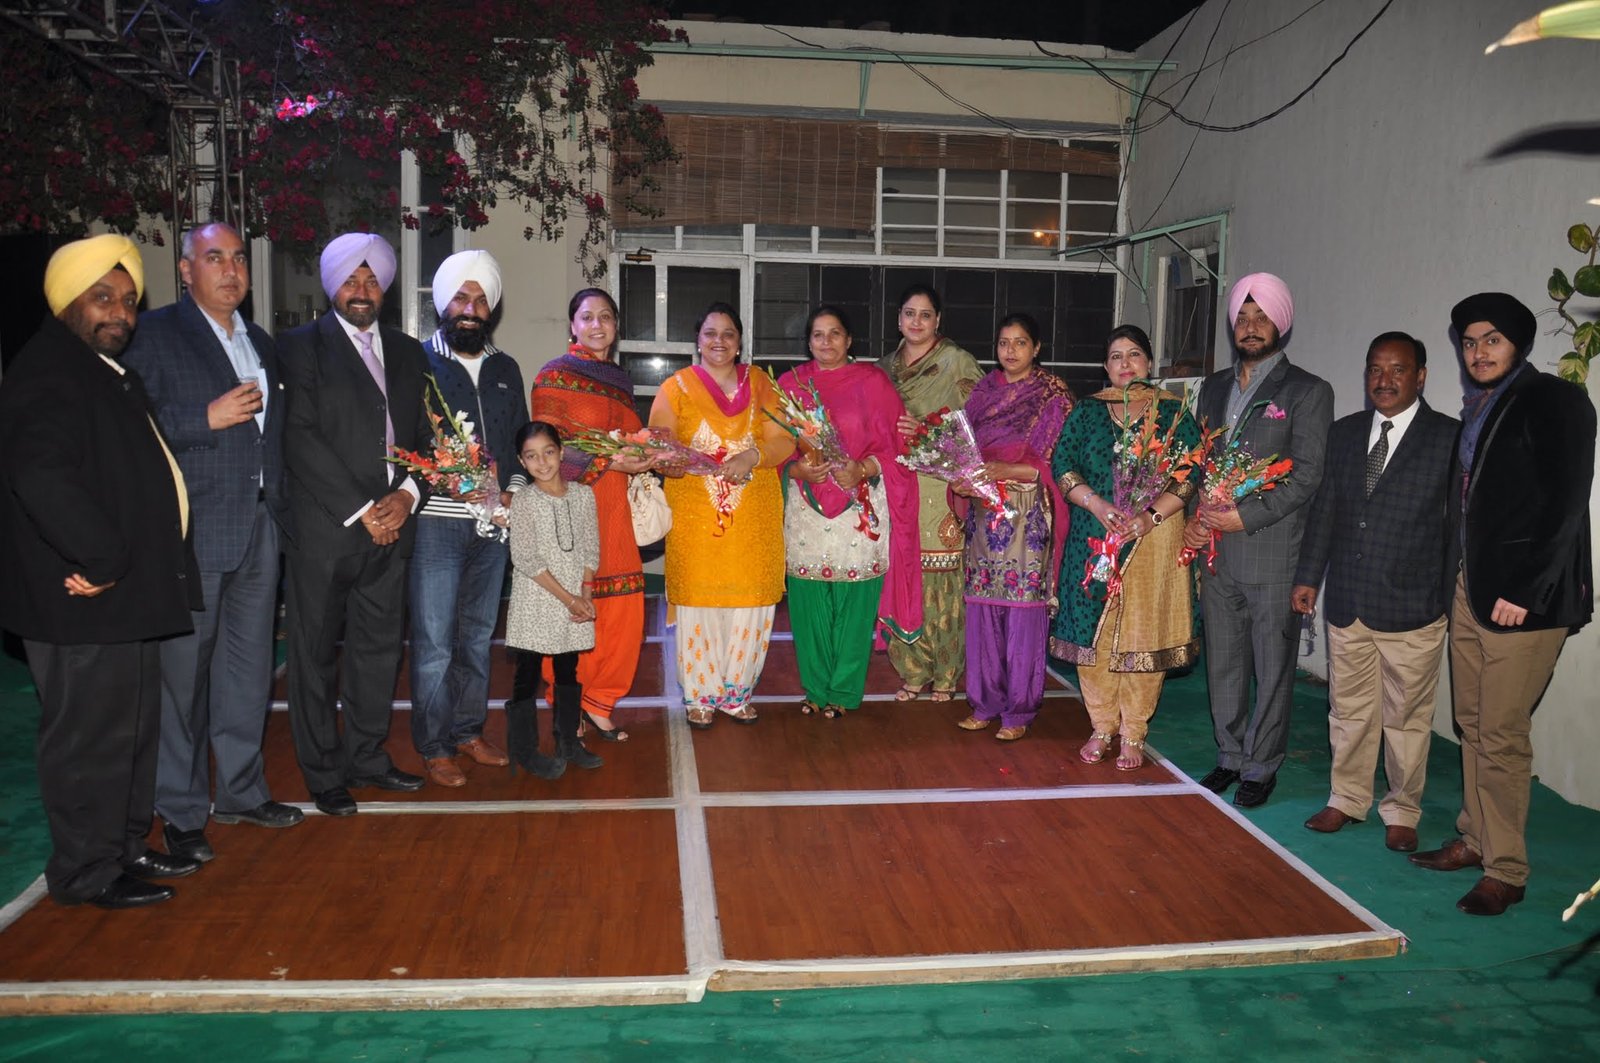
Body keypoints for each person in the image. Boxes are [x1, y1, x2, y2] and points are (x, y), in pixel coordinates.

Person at [0, 235, 202, 908]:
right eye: (102, 298)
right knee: (87, 738)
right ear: (67, 302)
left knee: (131, 730)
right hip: (83, 593)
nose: (120, 312)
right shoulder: (48, 371)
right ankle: (85, 871)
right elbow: (40, 475)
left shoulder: (100, 368)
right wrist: (103, 556)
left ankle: (123, 845)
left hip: (124, 592)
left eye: (128, 300)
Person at [1409, 293, 1595, 916]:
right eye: (1469, 342)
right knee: (1471, 722)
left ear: (1518, 343)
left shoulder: (1556, 399)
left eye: (1492, 339)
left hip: (1523, 598)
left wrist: (1527, 589)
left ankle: (1507, 869)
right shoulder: (1479, 408)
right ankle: (1474, 837)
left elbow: (1566, 506)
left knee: (1502, 732)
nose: (1479, 352)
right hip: (1471, 587)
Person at [121, 222, 302, 862]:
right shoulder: (154, 335)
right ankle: (180, 810)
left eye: (239, 259)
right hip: (192, 534)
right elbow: (128, 426)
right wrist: (205, 418)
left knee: (248, 674)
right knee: (183, 681)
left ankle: (242, 793)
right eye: (214, 258)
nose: (230, 270)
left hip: (260, 528)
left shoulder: (259, 341)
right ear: (185, 270)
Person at [279, 232, 432, 817]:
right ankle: (323, 773)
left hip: (393, 527)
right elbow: (299, 436)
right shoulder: (300, 347)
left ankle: (367, 757)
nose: (361, 289)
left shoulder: (409, 352)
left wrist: (408, 497)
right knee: (314, 655)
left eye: (371, 280)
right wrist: (364, 509)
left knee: (379, 651)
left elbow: (427, 438)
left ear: (385, 288)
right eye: (350, 279)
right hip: (327, 531)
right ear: (331, 286)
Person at [1292, 332, 1459, 853]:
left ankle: (1402, 809)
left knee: (1407, 718)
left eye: (1398, 370)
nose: (1384, 380)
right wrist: (1308, 576)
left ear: (1421, 376)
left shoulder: (1449, 438)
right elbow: (1325, 511)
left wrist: (1447, 597)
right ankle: (1346, 798)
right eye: (1375, 369)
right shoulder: (1344, 433)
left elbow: (1456, 528)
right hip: (1349, 601)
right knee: (1348, 710)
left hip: (1413, 607)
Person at [1186, 273, 1333, 807]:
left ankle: (1261, 765)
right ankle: (1229, 756)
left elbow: (1308, 476)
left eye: (1261, 317)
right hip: (1215, 554)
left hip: (1271, 552)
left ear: (1281, 324)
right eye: (1243, 318)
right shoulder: (1213, 388)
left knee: (1272, 668)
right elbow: (1197, 463)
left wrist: (1242, 518)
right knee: (1223, 662)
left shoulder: (1308, 391)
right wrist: (1195, 518)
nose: (1250, 327)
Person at [1050, 325, 1201, 768]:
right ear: (1105, 366)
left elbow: (1189, 473)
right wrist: (1096, 504)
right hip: (1094, 536)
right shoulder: (1087, 411)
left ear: (1148, 362)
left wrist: (1149, 516)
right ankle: (1101, 725)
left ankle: (1134, 731)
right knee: (1094, 634)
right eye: (1116, 356)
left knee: (1141, 636)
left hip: (1152, 540)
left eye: (1134, 354)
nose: (1125, 364)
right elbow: (1063, 464)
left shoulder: (1173, 412)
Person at [407, 251, 527, 788]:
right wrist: (445, 480)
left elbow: (521, 441)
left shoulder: (505, 368)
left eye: (480, 300)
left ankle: (467, 731)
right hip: (437, 521)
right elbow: (407, 440)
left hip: (494, 524)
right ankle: (434, 747)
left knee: (477, 637)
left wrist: (513, 494)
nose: (470, 309)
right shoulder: (418, 362)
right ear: (443, 303)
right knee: (434, 641)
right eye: (461, 297)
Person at [649, 303, 793, 728]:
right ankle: (700, 694)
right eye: (710, 333)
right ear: (698, 340)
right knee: (699, 601)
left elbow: (784, 440)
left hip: (753, 517)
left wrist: (752, 455)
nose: (719, 341)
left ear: (739, 342)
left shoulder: (762, 384)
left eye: (728, 334)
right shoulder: (675, 388)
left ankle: (737, 693)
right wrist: (674, 459)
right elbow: (659, 444)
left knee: (751, 602)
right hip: (695, 515)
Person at [780, 306, 922, 717]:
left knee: (855, 602)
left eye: (835, 334)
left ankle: (842, 693)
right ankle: (814, 688)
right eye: (818, 335)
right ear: (808, 342)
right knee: (808, 601)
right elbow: (771, 447)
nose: (826, 342)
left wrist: (864, 468)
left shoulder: (873, 383)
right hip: (806, 505)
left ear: (849, 340)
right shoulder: (790, 385)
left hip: (859, 505)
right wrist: (795, 469)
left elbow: (899, 447)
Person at [529, 288, 654, 741]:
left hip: (615, 508)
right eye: (587, 317)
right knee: (572, 607)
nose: (597, 325)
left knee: (622, 609)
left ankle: (601, 701)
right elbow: (546, 449)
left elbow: (630, 437)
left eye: (605, 317)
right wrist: (612, 461)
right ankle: (568, 704)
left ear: (616, 326)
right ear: (573, 325)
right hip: (572, 505)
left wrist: (648, 452)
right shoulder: (553, 376)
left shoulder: (620, 381)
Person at [953, 314, 1073, 742]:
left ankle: (1019, 710)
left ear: (1036, 348)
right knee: (983, 607)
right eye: (1004, 342)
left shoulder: (1052, 395)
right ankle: (984, 702)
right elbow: (964, 450)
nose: (1010, 351)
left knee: (1023, 611)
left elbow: (1059, 463)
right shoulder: (983, 392)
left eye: (1020, 343)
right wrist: (960, 478)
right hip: (984, 515)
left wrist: (1007, 469)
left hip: (1028, 515)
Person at [883, 283, 983, 701]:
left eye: (925, 315)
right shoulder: (884, 369)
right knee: (902, 572)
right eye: (909, 313)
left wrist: (925, 429)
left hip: (941, 483)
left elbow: (979, 424)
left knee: (942, 576)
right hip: (895, 483)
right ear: (899, 319)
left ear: (938, 320)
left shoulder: (957, 362)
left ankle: (946, 671)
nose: (917, 322)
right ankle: (912, 668)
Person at [506, 421, 603, 772]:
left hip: (574, 598)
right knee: (527, 674)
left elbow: (591, 548)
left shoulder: (583, 495)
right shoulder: (524, 500)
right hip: (536, 598)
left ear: (561, 453)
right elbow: (525, 558)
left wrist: (585, 596)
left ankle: (568, 742)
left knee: (567, 669)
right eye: (531, 456)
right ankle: (524, 751)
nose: (542, 462)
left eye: (548, 452)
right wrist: (569, 599)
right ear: (522, 462)